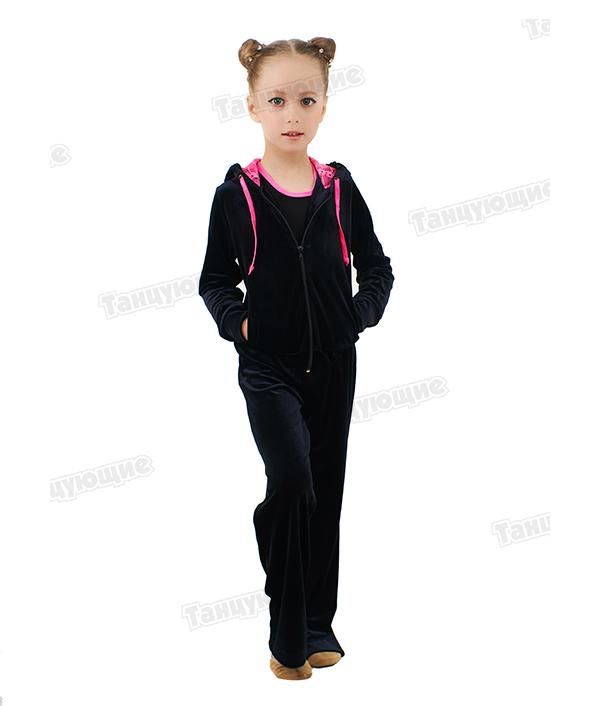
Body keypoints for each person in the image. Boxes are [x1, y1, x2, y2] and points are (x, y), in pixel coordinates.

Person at [198, 36, 394, 680]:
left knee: (325, 491)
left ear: (325, 105)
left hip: (334, 364)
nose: (292, 114)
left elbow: (377, 267)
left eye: (306, 100)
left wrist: (356, 318)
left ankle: (317, 623)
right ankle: (286, 632)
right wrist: (239, 324)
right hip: (268, 367)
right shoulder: (238, 193)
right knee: (291, 483)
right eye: (277, 100)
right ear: (253, 106)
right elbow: (215, 280)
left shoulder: (339, 187)